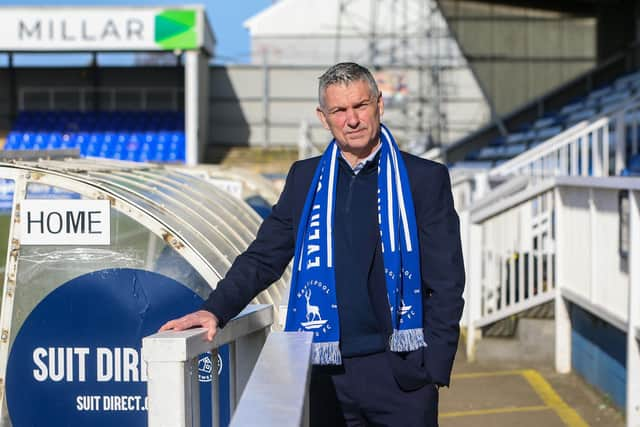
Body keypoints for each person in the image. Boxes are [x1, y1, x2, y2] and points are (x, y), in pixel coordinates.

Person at [160, 62, 465, 427]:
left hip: (400, 373)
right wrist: (216, 309)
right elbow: (265, 256)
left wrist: (431, 366)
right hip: (325, 371)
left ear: (379, 106)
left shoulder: (423, 179)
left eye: (360, 106)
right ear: (324, 118)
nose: (352, 119)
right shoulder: (305, 179)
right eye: (339, 110)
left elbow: (446, 280)